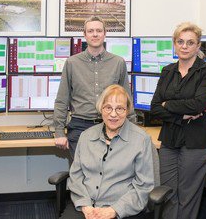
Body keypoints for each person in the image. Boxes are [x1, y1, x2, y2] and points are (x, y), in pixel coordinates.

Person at [150, 22, 206, 219]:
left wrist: (168, 105)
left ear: (198, 46)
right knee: (168, 193)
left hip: (198, 140)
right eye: (180, 41)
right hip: (171, 138)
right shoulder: (168, 71)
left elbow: (198, 105)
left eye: (190, 42)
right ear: (174, 44)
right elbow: (154, 107)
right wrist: (181, 114)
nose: (184, 46)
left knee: (188, 196)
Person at [61, 84, 154, 219]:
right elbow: (76, 177)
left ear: (127, 110)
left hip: (122, 209)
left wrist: (114, 210)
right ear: (101, 109)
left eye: (120, 109)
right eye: (108, 108)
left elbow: (144, 187)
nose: (113, 114)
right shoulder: (86, 136)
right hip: (86, 206)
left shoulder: (141, 140)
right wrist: (85, 206)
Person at [53, 16, 132, 158]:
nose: (95, 34)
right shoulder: (72, 63)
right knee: (82, 176)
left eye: (98, 30)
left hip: (111, 126)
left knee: (111, 175)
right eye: (90, 31)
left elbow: (126, 100)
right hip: (79, 127)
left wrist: (132, 129)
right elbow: (61, 101)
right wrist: (59, 132)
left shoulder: (118, 63)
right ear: (84, 35)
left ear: (104, 33)